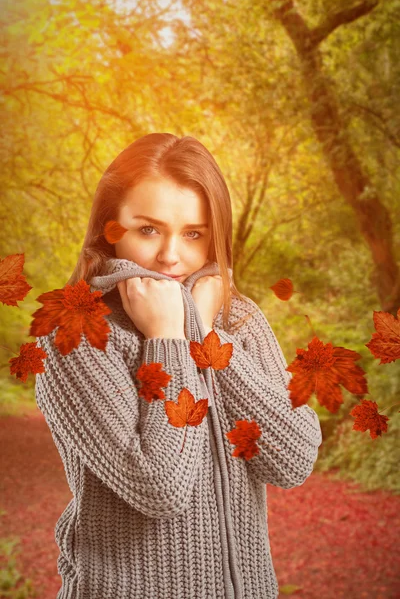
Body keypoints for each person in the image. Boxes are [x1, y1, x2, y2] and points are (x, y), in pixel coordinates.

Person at [34, 133, 323, 599]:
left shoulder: (236, 317)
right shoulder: (75, 334)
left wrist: (207, 338)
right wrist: (167, 339)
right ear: (110, 225)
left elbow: (292, 460)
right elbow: (160, 486)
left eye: (193, 234)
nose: (171, 255)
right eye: (149, 229)